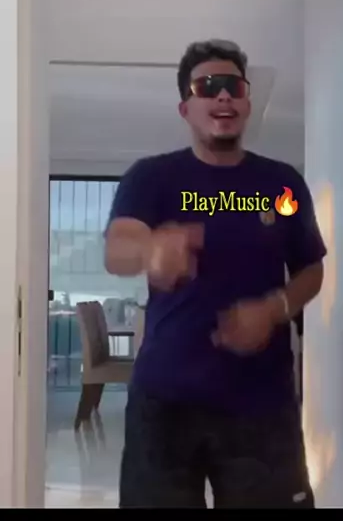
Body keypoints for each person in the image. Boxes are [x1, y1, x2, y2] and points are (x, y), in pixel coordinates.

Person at [104, 39, 327, 508]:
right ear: (186, 108)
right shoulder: (151, 177)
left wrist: (275, 308)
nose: (222, 95)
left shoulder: (282, 183)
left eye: (233, 86)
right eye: (207, 87)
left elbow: (311, 268)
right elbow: (117, 249)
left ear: (246, 103)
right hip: (164, 402)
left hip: (262, 405)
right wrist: (150, 250)